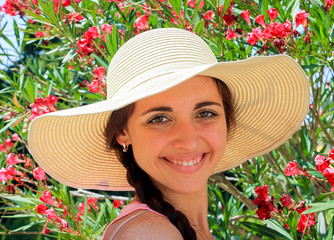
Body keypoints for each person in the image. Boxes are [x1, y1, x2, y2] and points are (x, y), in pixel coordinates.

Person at [28, 28, 310, 239]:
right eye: (159, 118)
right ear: (122, 134)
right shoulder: (148, 234)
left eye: (206, 113)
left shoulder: (171, 229)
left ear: (227, 121)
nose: (188, 139)